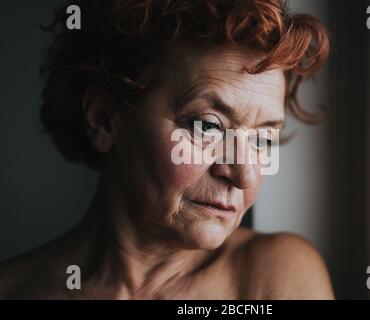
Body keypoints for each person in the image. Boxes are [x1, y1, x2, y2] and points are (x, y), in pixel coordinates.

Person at [0, 0, 333, 299]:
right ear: (104, 121)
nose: (243, 175)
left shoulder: (273, 275)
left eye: (262, 140)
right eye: (208, 126)